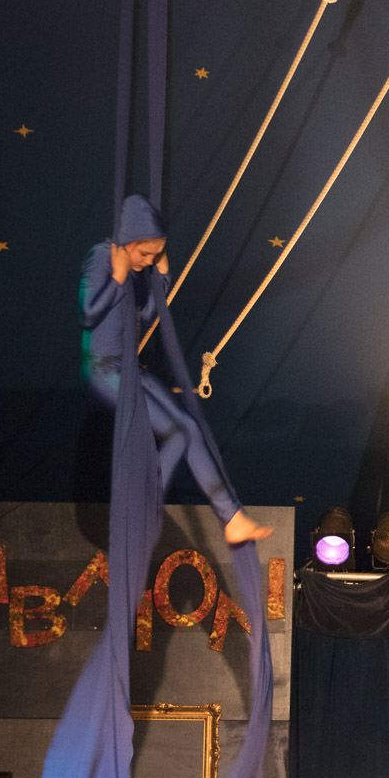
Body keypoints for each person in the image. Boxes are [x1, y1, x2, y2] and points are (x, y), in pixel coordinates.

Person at [80, 194, 272, 544]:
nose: (147, 262)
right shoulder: (101, 257)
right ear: (128, 242)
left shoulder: (135, 271)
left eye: (153, 257)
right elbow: (89, 314)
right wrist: (118, 278)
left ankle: (231, 518)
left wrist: (163, 276)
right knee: (176, 433)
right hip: (103, 371)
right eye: (144, 254)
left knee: (189, 428)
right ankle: (142, 511)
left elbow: (144, 318)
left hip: (130, 368)